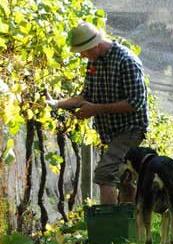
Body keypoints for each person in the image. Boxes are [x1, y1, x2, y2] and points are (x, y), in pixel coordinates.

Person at [48, 22, 148, 205]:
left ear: (95, 45)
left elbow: (136, 102)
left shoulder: (126, 61)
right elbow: (85, 96)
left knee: (104, 173)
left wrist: (95, 109)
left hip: (130, 129)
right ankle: (129, 223)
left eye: (83, 51)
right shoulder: (94, 62)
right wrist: (56, 104)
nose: (82, 55)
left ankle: (109, 226)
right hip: (110, 132)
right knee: (123, 178)